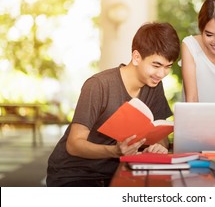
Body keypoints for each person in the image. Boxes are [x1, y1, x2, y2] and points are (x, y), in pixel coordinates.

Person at [46, 22, 180, 187]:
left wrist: (158, 146)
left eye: (168, 67)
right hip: (75, 174)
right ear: (136, 57)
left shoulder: (154, 85)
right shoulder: (98, 85)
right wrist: (115, 151)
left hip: (118, 172)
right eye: (156, 65)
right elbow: (74, 144)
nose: (162, 74)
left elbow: (161, 138)